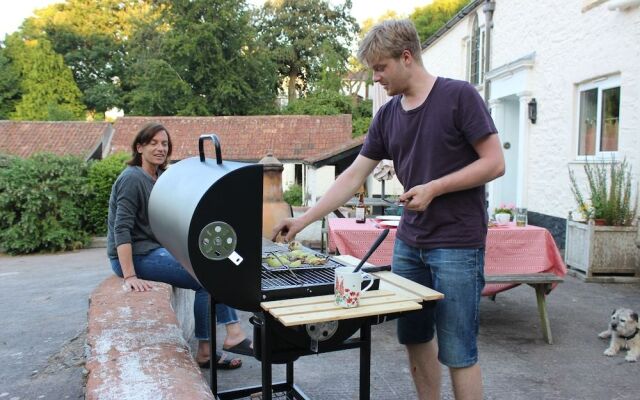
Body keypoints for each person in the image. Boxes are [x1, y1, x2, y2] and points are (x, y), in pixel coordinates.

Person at [272, 20, 505, 400]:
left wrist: (434, 188)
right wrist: (303, 219)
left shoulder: (459, 97)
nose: (376, 77)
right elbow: (352, 176)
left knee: (459, 351)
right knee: (414, 338)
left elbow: (494, 163)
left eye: (380, 67)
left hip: (458, 245)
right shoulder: (387, 115)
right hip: (410, 243)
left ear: (407, 57)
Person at [107, 122, 253, 370]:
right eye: (153, 143)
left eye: (164, 144)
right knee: (206, 278)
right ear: (139, 147)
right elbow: (121, 229)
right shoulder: (132, 179)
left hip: (156, 249)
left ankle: (220, 342)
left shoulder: (161, 178)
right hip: (138, 255)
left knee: (214, 263)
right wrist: (130, 274)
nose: (160, 148)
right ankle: (220, 342)